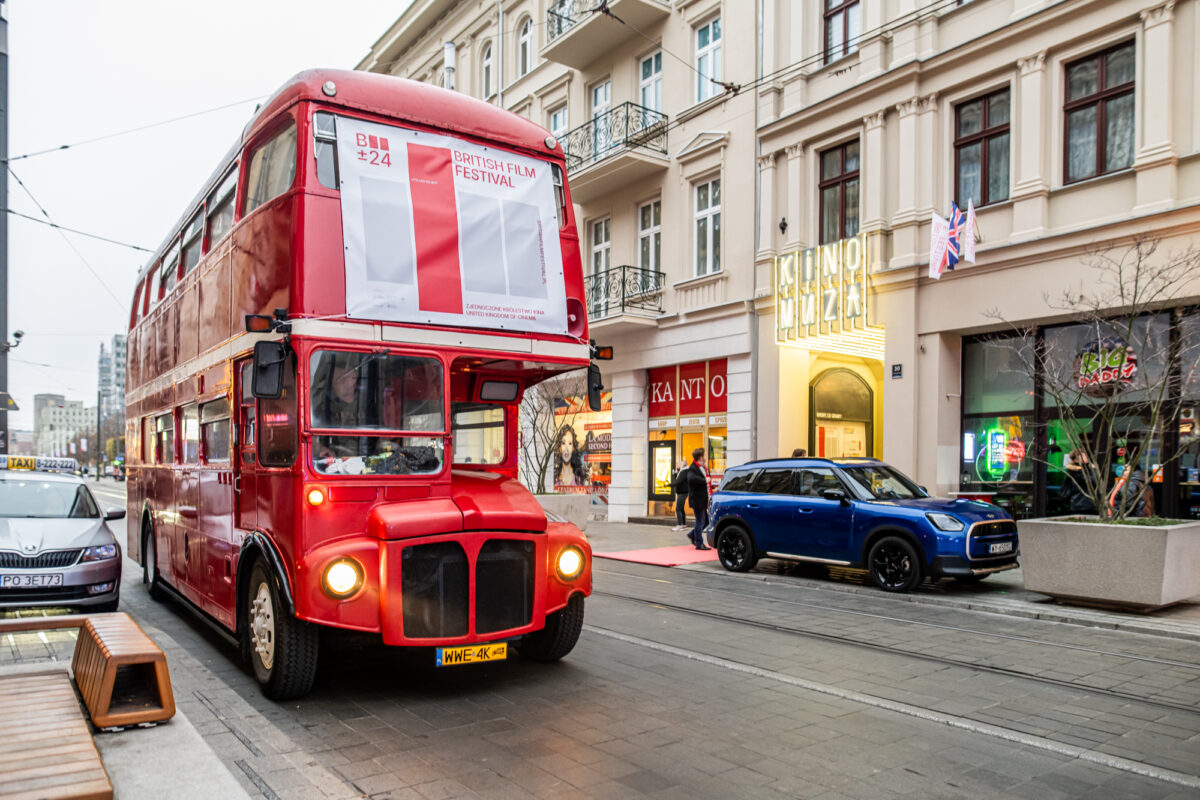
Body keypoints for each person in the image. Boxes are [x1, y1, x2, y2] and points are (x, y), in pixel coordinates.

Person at [1058, 449, 1099, 514]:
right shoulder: (1077, 472)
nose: (1085, 457)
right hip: (1082, 503)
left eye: (1085, 455)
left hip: (1085, 503)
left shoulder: (1084, 470)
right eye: (1082, 456)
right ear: (1076, 460)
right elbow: (1094, 481)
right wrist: (1093, 469)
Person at [686, 448, 711, 550]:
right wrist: (704, 480)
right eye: (704, 455)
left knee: (706, 521)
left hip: (702, 499)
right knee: (700, 521)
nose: (705, 457)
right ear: (701, 457)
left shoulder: (702, 467)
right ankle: (699, 543)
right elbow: (691, 479)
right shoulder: (693, 467)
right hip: (697, 500)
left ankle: (693, 534)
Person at [672, 460, 690, 531]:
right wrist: (676, 472)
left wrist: (668, 484)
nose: (677, 465)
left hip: (682, 492)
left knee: (678, 509)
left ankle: (679, 525)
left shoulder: (683, 472)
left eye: (679, 464)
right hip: (683, 492)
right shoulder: (684, 472)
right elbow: (679, 480)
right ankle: (683, 525)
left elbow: (678, 482)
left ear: (682, 465)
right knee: (681, 508)